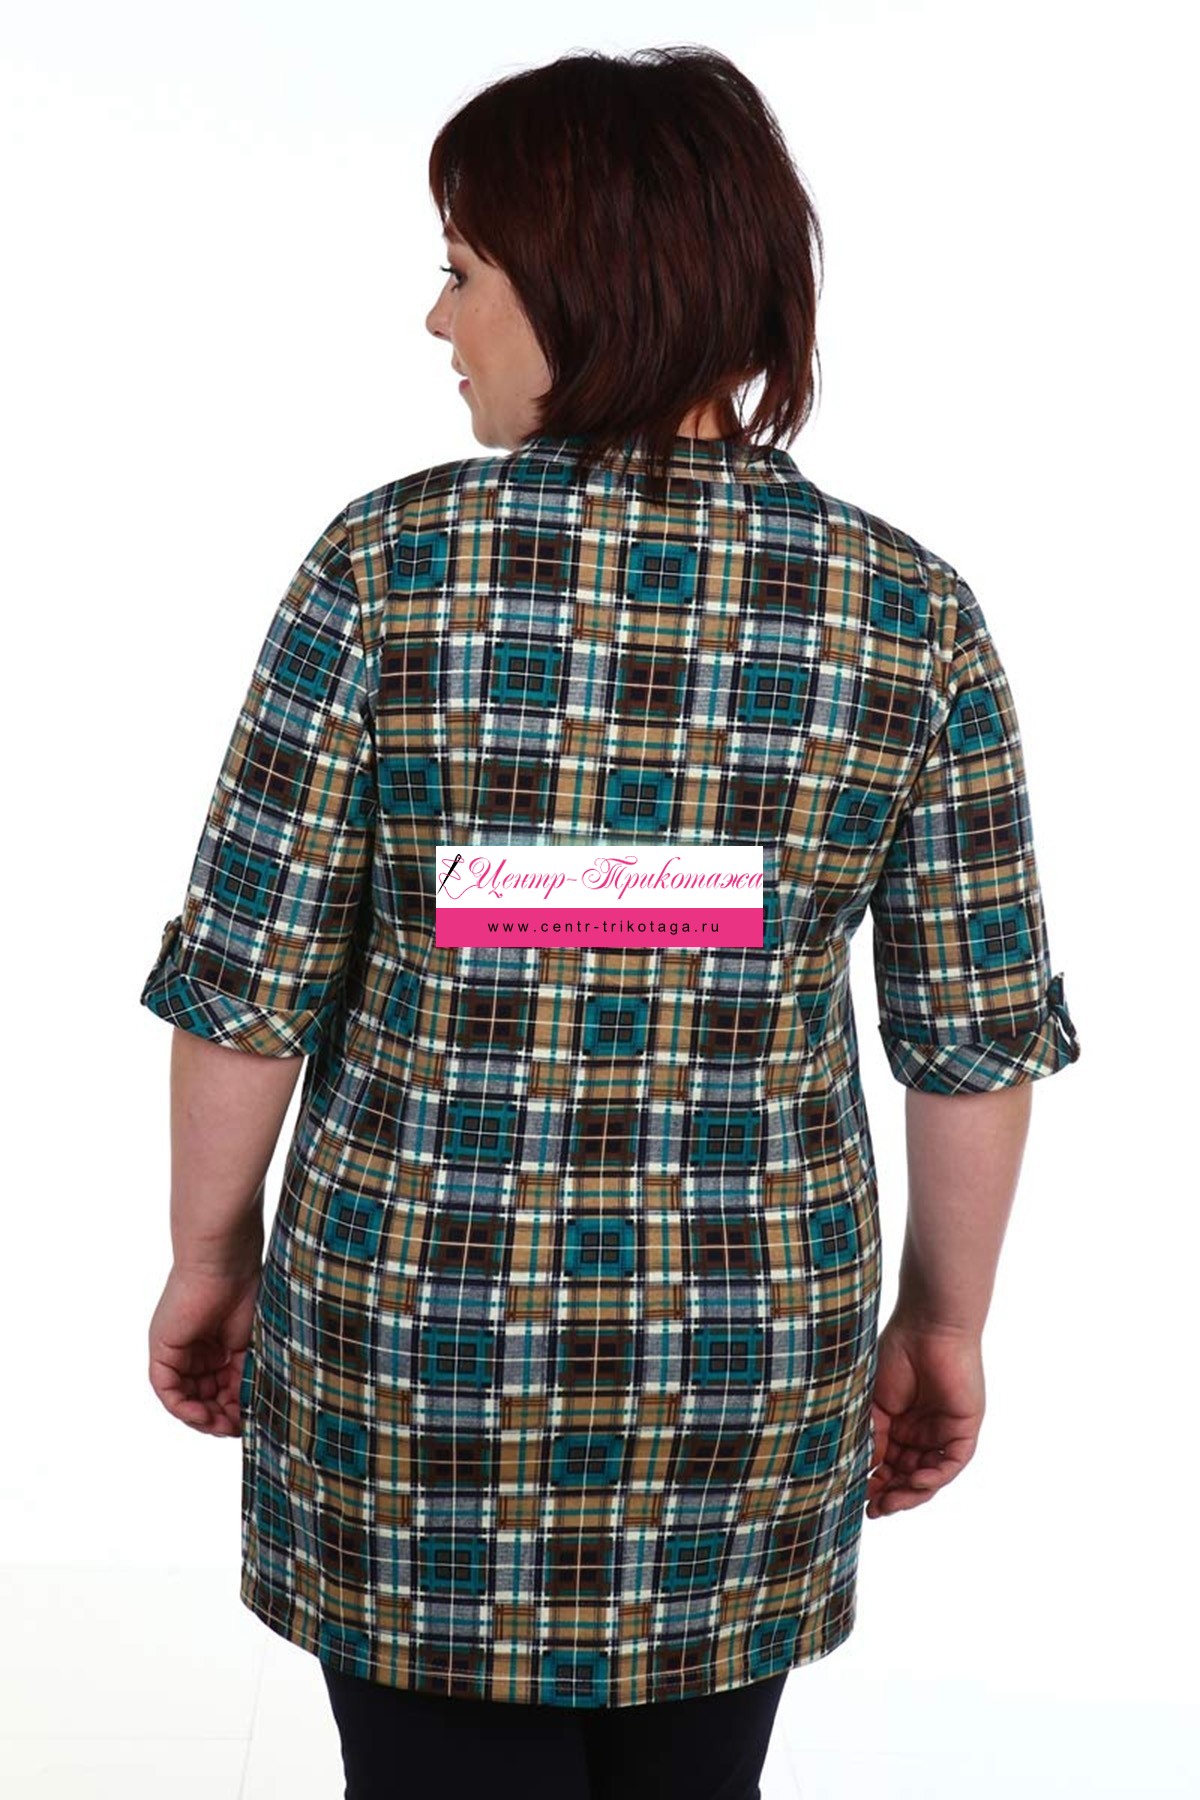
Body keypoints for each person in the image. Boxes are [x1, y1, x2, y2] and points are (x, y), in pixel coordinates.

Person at [141, 43, 1081, 1800]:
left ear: (585, 282)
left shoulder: (384, 571)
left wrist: (210, 1255)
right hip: (747, 1358)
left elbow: (249, 987)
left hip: (418, 1350)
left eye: (461, 271)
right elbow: (973, 1038)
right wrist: (945, 1326)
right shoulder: (909, 615)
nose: (437, 322)